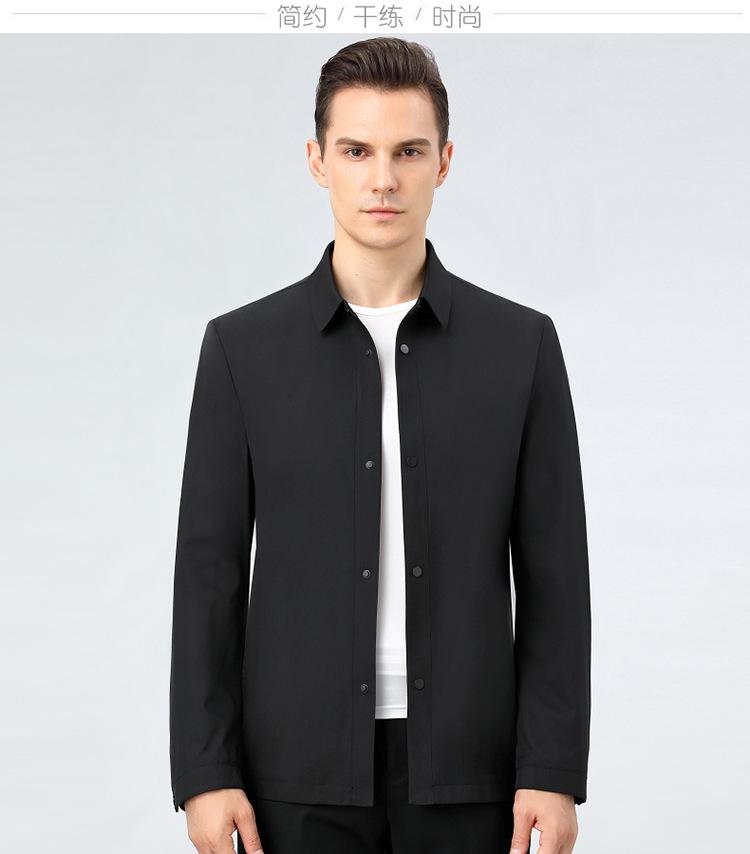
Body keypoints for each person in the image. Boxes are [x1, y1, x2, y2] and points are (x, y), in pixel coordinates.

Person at [169, 36, 591, 854]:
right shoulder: (242, 351)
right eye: (357, 151)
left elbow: (556, 579)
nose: (383, 179)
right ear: (317, 161)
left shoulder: (520, 348)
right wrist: (205, 771)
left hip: (470, 771)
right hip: (293, 776)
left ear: (444, 162)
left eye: (409, 151)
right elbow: (208, 576)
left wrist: (551, 767)